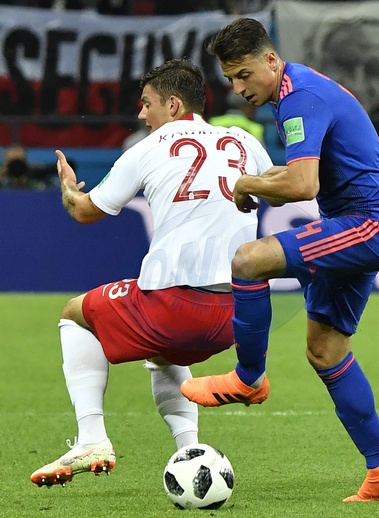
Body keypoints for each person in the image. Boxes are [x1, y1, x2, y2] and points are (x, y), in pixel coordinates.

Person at [180, 18, 379, 502]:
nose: (239, 88)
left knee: (248, 261)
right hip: (363, 225)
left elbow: (303, 185)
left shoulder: (299, 97)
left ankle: (248, 377)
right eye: (231, 79)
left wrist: (248, 184)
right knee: (325, 350)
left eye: (244, 74)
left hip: (367, 225)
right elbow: (301, 172)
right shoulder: (296, 90)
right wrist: (264, 180)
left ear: (271, 59)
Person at [30, 58, 272, 487]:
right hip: (237, 318)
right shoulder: (245, 142)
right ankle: (191, 451)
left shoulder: (148, 147)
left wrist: (67, 187)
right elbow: (280, 188)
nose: (141, 114)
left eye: (147, 103)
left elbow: (85, 212)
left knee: (75, 314)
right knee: (162, 353)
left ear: (173, 105)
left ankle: (91, 439)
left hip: (173, 307)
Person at [302, 16, 379, 146]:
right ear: (315, 66)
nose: (357, 85)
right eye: (344, 63)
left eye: (373, 69)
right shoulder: (292, 124)